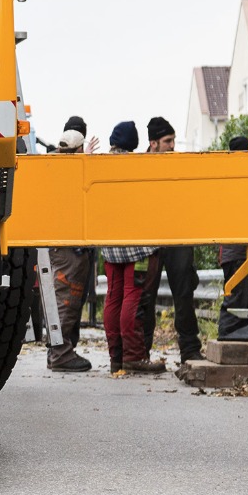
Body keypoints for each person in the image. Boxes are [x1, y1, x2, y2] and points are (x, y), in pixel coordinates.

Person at [137, 116, 204, 363]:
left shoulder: (179, 164)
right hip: (149, 240)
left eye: (174, 140)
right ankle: (141, 352)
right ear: (153, 143)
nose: (173, 145)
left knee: (184, 294)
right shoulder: (139, 167)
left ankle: (189, 349)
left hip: (178, 238)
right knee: (146, 297)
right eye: (167, 141)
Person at [99, 122, 163, 373]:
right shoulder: (136, 165)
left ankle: (116, 358)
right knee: (133, 298)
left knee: (113, 298)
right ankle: (135, 356)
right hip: (138, 249)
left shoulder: (100, 165)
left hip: (110, 247)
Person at [46, 128, 95, 372]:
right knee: (67, 298)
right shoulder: (70, 172)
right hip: (68, 249)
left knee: (62, 297)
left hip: (61, 246)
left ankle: (57, 351)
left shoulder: (54, 167)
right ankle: (60, 354)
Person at [218, 135, 248, 337]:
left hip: (238, 253)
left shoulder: (234, 180)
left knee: (245, 303)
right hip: (236, 254)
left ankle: (239, 340)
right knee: (235, 301)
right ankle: (226, 339)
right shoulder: (234, 182)